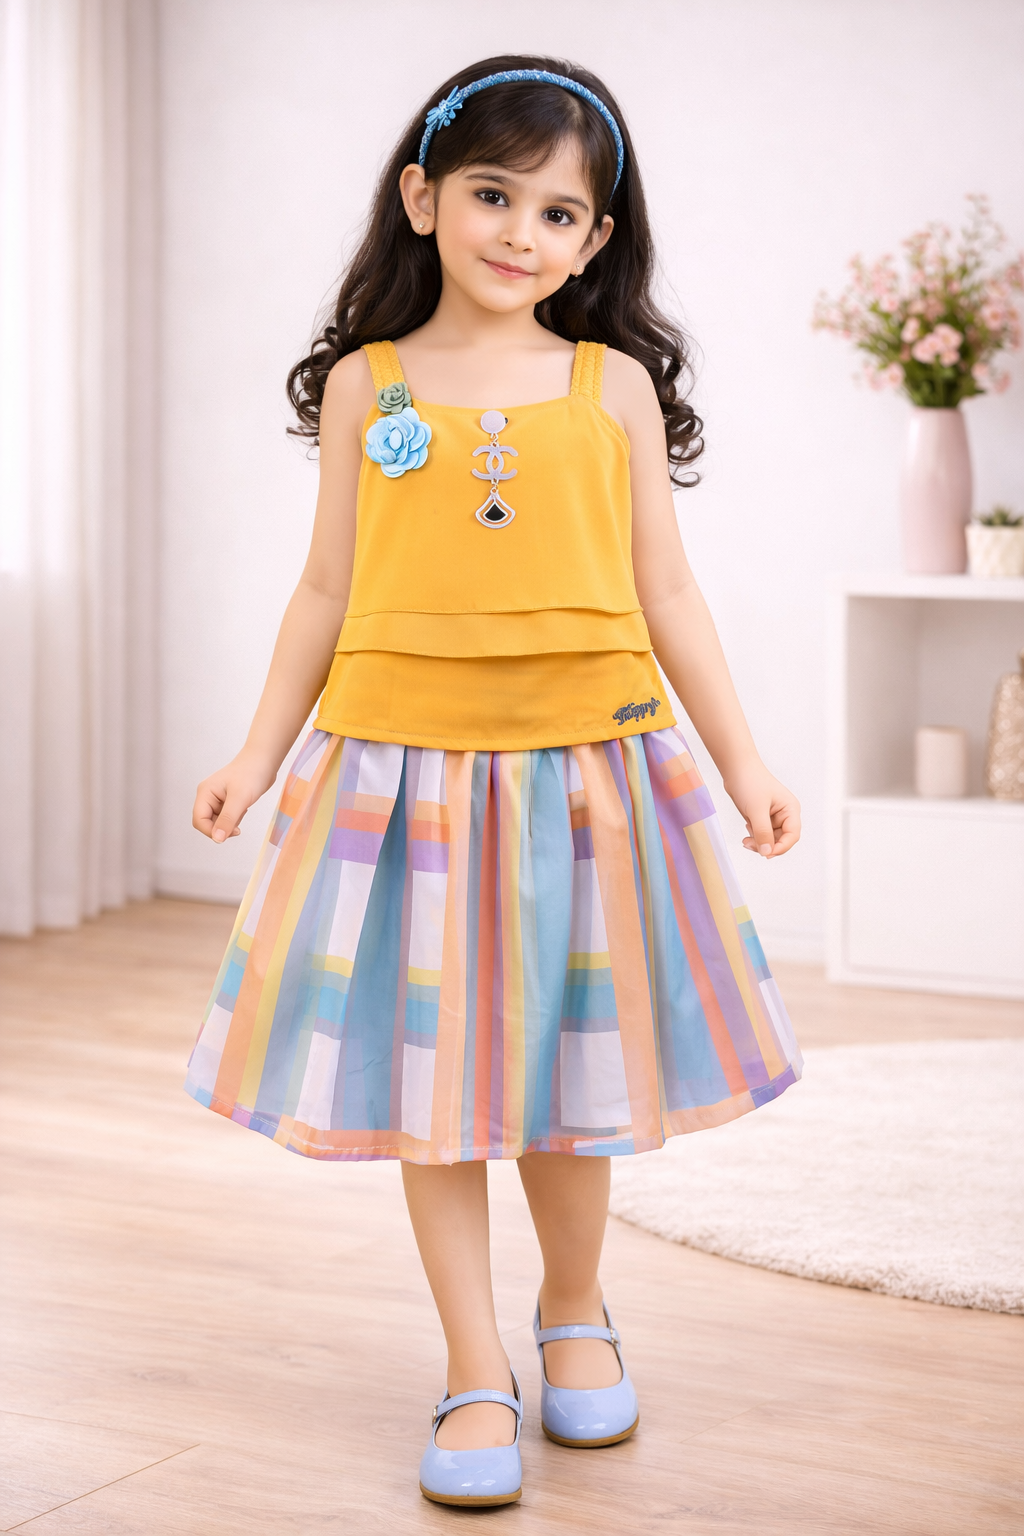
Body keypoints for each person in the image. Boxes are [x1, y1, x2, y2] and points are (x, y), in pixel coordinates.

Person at [186, 55, 802, 1510]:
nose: (521, 232)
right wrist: (256, 752)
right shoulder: (368, 385)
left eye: (558, 212)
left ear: (596, 241)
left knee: (572, 1075)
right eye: (492, 195)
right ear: (422, 198)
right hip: (400, 780)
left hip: (587, 780)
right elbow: (326, 587)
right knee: (438, 1087)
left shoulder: (612, 388)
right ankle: (474, 1362)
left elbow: (668, 589)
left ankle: (573, 1310)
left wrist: (745, 759)